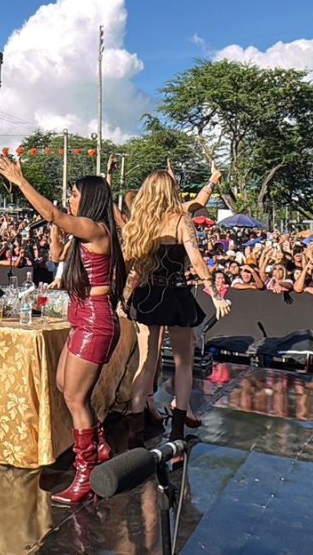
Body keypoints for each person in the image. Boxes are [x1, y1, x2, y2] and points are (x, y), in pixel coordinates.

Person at [0, 154, 124, 505]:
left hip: (95, 319)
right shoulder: (82, 234)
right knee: (65, 385)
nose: (71, 198)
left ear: (91, 199)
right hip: (82, 315)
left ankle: (86, 473)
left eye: (76, 193)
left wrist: (21, 182)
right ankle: (98, 444)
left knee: (75, 398)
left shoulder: (97, 230)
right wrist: (56, 225)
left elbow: (54, 213)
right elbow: (55, 250)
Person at [124, 169, 227, 446]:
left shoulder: (139, 223)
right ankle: (178, 431)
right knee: (183, 363)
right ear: (171, 191)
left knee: (146, 363)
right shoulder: (180, 219)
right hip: (174, 293)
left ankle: (135, 432)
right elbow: (195, 259)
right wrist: (214, 293)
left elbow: (128, 266)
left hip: (147, 293)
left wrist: (121, 298)